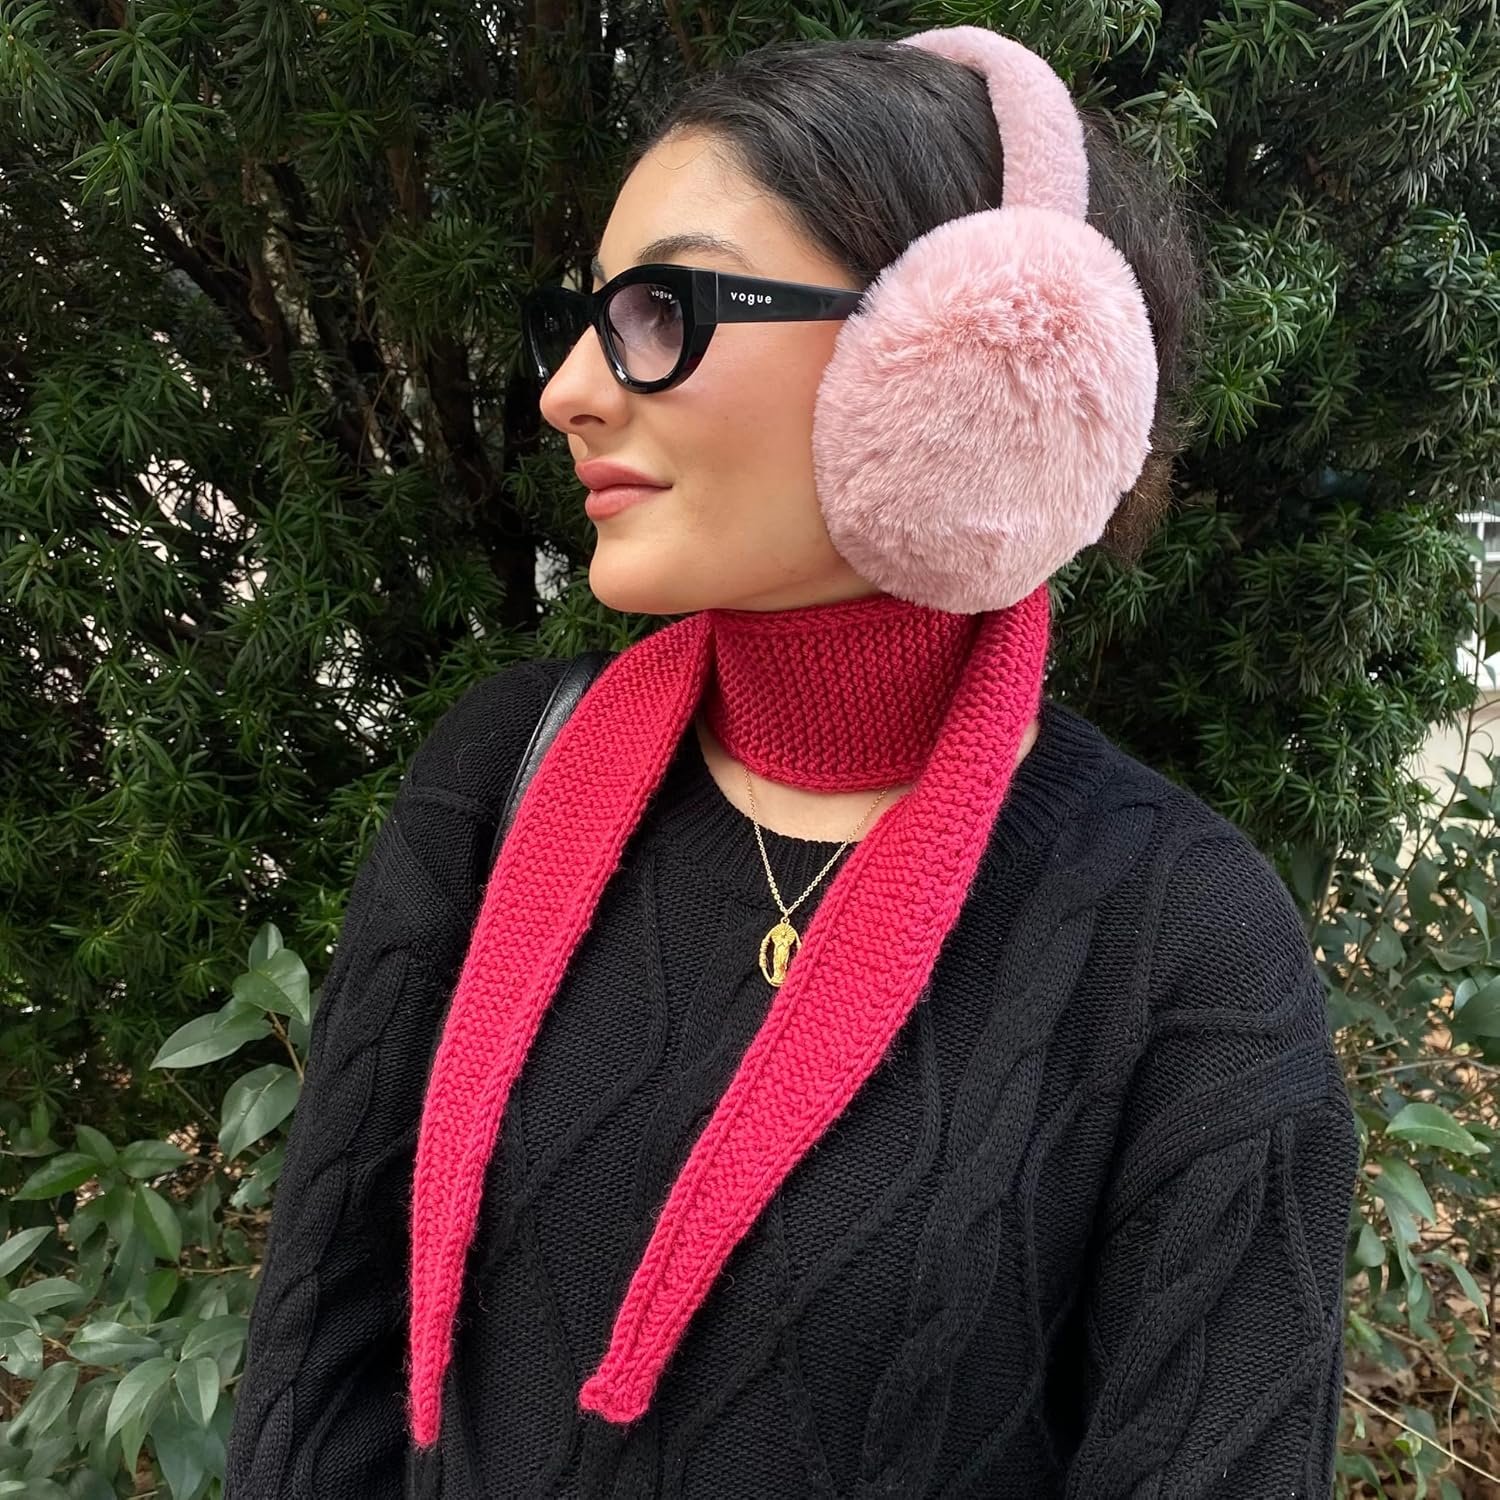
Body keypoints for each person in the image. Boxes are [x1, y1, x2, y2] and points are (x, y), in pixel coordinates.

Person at [226, 24, 1361, 1500]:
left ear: (963, 367)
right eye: (583, 317)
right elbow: (319, 1372)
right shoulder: (500, 777)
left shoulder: (1182, 952)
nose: (568, 389)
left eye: (660, 310)